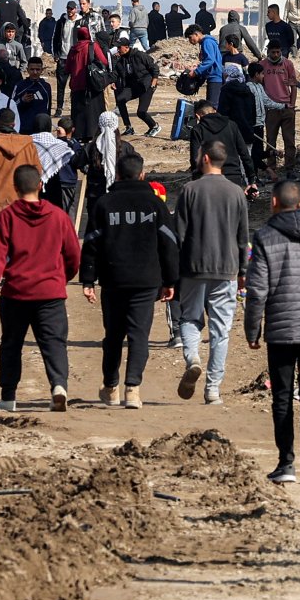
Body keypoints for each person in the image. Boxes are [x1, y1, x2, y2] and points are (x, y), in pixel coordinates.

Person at [244, 179, 300, 483]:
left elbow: (257, 290)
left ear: (273, 203)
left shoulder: (266, 236)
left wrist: (252, 328)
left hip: (282, 328)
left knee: (281, 395)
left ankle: (286, 463)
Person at [80, 151, 179, 411]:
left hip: (113, 279)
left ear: (120, 174)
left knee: (113, 335)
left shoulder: (104, 203)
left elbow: (90, 243)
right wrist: (170, 280)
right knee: (139, 336)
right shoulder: (155, 205)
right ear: (142, 175)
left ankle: (111, 387)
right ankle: (132, 389)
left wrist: (88, 279)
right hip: (146, 281)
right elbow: (169, 244)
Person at [0, 163, 82, 412]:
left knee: (11, 344)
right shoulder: (58, 216)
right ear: (40, 185)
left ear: (15, 187)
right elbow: (73, 254)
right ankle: (59, 386)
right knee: (54, 343)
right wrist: (62, 277)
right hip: (50, 293)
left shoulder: (7, 217)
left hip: (16, 292)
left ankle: (8, 396)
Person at [174, 140, 250, 406]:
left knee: (190, 318)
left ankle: (192, 358)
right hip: (226, 267)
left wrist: (176, 270)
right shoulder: (236, 193)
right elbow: (243, 236)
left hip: (194, 266)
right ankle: (213, 390)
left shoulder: (189, 190)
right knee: (221, 331)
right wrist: (242, 271)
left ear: (205, 158)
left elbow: (179, 235)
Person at [0, 108, 42, 252]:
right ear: (14, 123)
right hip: (21, 198)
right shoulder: (29, 145)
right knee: (18, 240)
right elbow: (37, 171)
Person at [189, 98, 253, 190]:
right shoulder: (232, 125)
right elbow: (244, 154)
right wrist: (251, 180)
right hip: (233, 177)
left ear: (198, 116)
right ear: (215, 110)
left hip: (208, 179)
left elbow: (195, 159)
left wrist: (196, 179)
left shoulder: (198, 130)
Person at [258, 40, 299, 172]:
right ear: (268, 52)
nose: (275, 55)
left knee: (289, 140)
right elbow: (260, 85)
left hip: (287, 108)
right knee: (270, 140)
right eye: (273, 52)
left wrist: (292, 104)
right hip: (271, 109)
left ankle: (290, 170)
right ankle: (271, 169)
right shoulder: (262, 65)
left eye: (278, 52)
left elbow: (293, 85)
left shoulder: (287, 64)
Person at [112, 36, 160, 137]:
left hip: (147, 85)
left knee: (141, 112)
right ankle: (129, 128)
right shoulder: (121, 61)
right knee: (120, 99)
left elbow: (154, 67)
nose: (118, 50)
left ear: (126, 47)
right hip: (134, 86)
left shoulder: (140, 55)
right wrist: (112, 82)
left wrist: (154, 81)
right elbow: (116, 74)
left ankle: (154, 126)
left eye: (119, 47)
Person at [186, 23, 225, 108]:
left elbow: (210, 60)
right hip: (213, 76)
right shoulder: (207, 42)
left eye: (190, 37)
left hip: (215, 77)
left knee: (212, 106)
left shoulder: (207, 42)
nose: (190, 40)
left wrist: (196, 72)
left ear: (196, 34)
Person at [12, 57, 52, 135]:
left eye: (37, 69)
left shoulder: (46, 87)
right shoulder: (20, 86)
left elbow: (48, 107)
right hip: (24, 128)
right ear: (27, 70)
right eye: (32, 69)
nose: (35, 72)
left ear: (42, 70)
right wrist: (22, 100)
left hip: (41, 129)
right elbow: (11, 106)